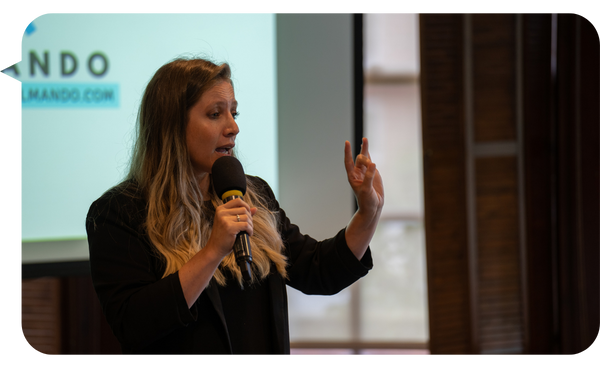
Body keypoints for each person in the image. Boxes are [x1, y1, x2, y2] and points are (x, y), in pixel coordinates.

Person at [86, 57, 384, 357]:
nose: (233, 127)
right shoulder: (118, 213)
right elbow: (132, 324)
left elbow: (320, 270)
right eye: (215, 114)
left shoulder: (252, 194)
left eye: (234, 112)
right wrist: (213, 251)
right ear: (172, 125)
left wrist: (368, 213)